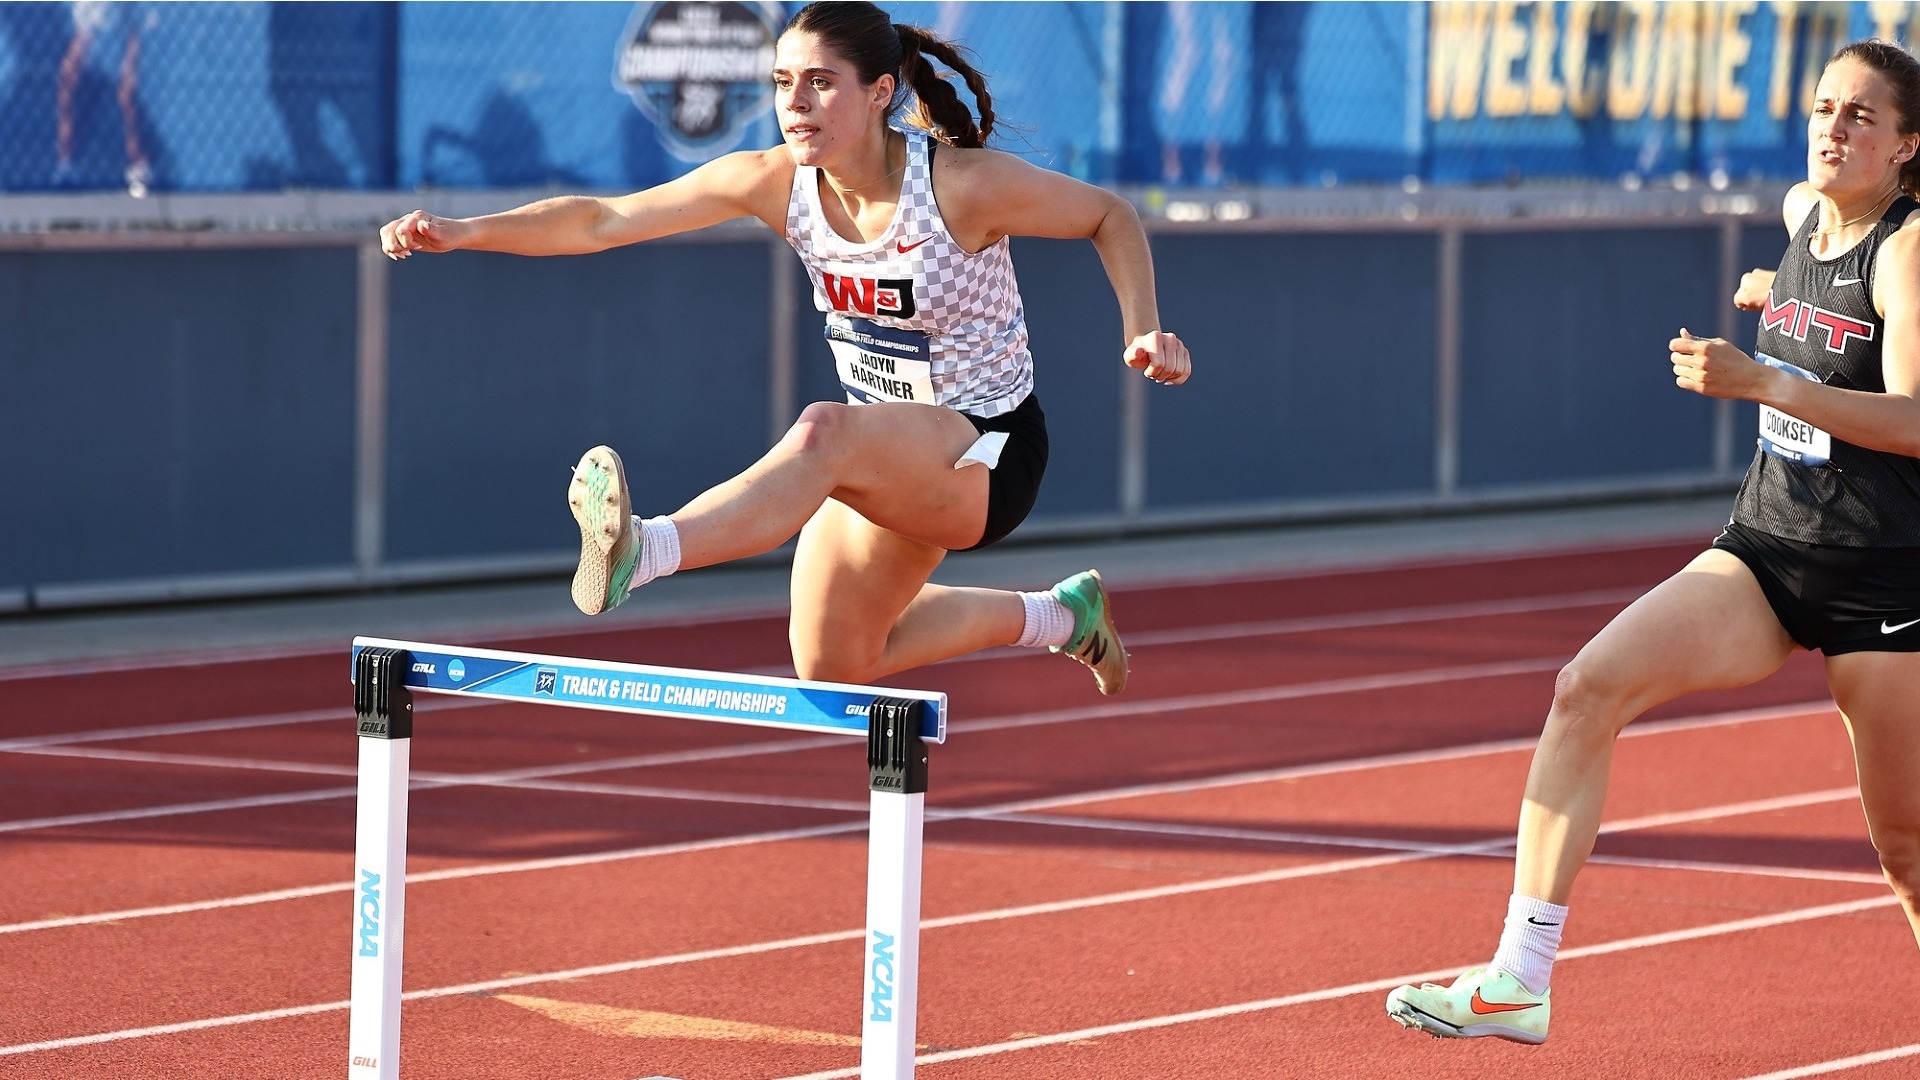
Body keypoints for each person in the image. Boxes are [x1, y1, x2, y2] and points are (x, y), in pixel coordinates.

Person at [379, 1, 1191, 695]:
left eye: (820, 83)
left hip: (988, 450)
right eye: (781, 83)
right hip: (887, 450)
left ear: (879, 94)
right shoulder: (776, 181)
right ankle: (1061, 617)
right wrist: (465, 231)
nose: (794, 104)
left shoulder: (961, 187)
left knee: (820, 431)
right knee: (834, 665)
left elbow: (1109, 214)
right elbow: (601, 220)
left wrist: (1143, 327)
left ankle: (645, 549)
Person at [1385, 38, 1920, 1045]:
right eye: (1823, 108)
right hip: (1766, 552)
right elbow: (1821, 301)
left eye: (1861, 116)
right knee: (1585, 688)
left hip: (1885, 582)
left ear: (1905, 146)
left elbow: (1915, 419)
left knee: (1907, 854)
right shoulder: (1802, 215)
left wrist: (1766, 380)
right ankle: (1519, 979)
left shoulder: (1907, 251)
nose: (1834, 129)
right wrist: (1775, 293)